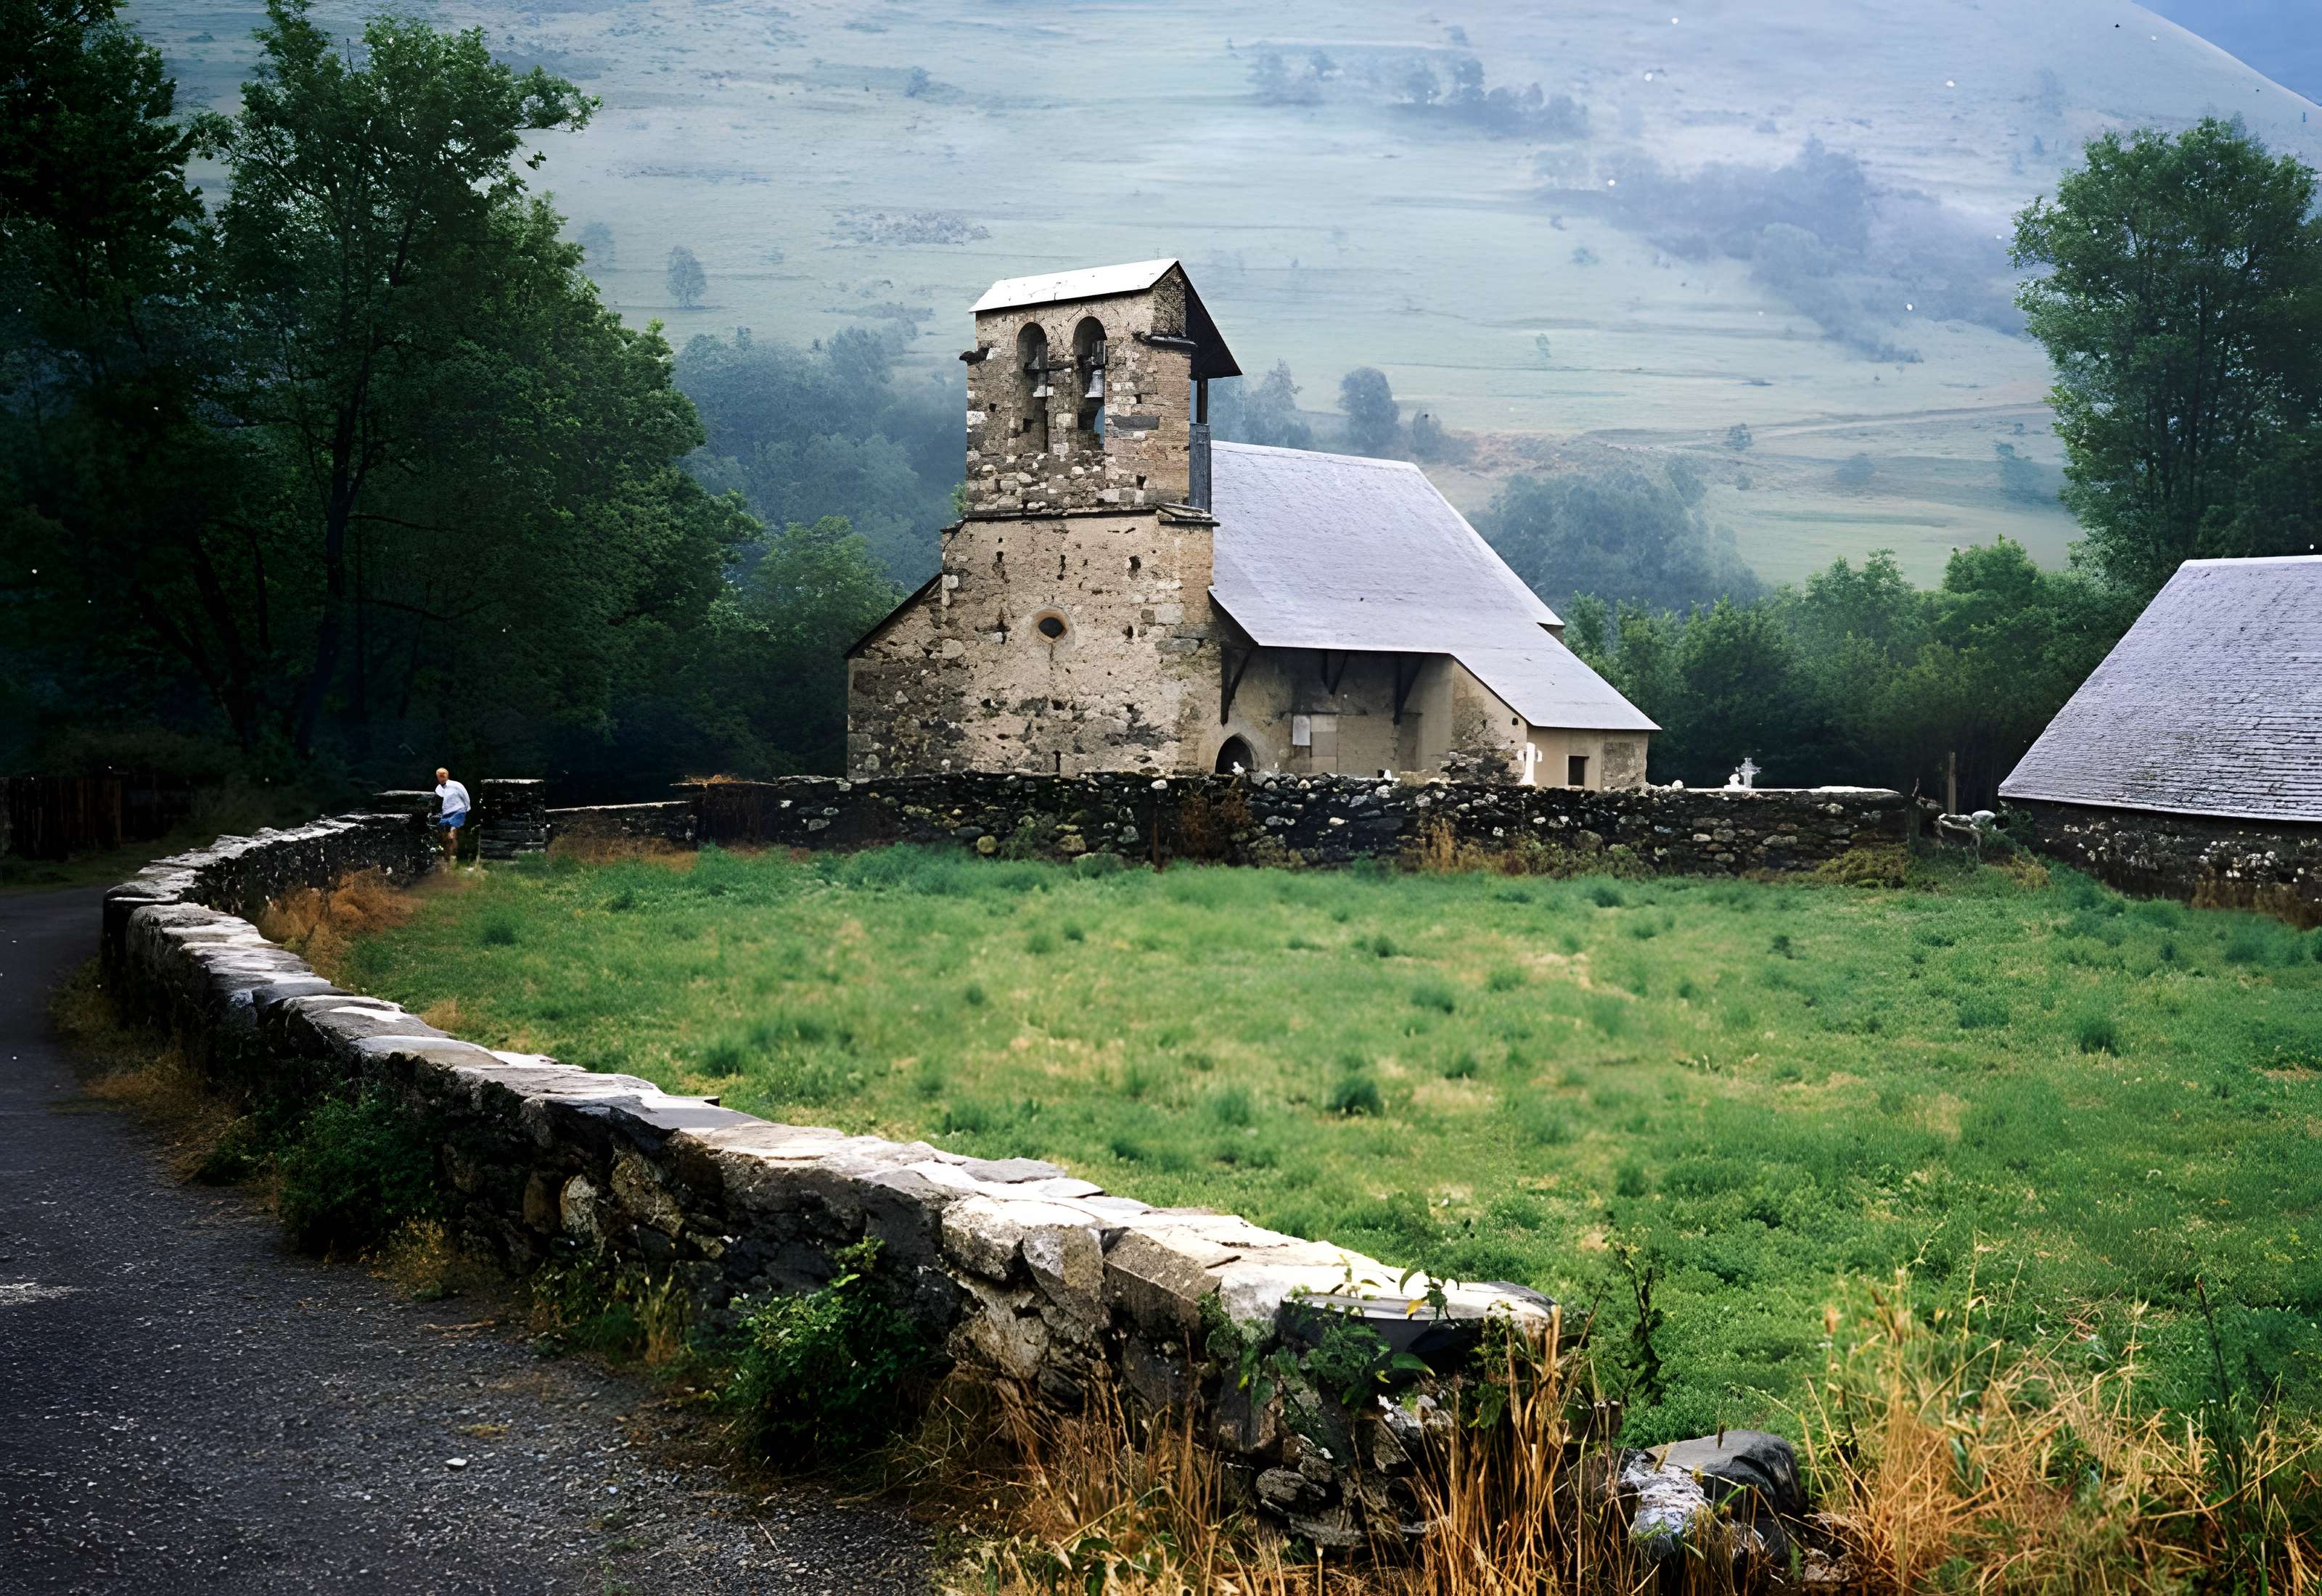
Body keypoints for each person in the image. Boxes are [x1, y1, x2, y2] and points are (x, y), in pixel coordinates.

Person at [432, 767, 472, 868]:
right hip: (446, 814)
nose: (442, 777)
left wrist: (467, 808)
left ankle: (455, 857)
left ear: (447, 775)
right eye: (439, 776)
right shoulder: (438, 789)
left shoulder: (456, 785)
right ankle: (447, 857)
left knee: (452, 835)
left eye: (443, 775)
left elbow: (465, 795)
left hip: (459, 811)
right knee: (443, 836)